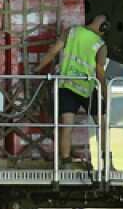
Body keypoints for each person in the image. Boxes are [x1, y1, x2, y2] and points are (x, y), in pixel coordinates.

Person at [38, 14, 108, 165]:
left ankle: (66, 162)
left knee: (66, 126)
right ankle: (106, 161)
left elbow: (53, 52)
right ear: (104, 27)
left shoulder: (71, 31)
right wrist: (106, 95)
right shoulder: (100, 45)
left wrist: (36, 69)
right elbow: (100, 73)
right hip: (87, 88)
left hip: (67, 86)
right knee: (102, 124)